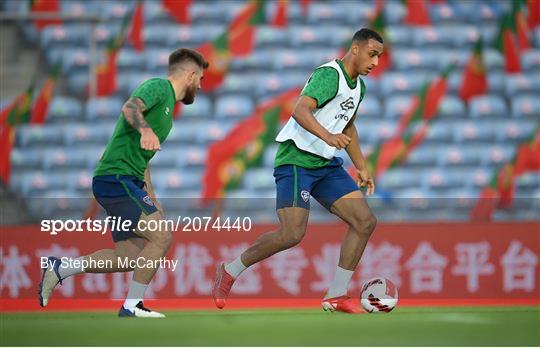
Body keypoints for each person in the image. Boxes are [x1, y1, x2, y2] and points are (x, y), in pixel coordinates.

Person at [212, 28, 384, 314]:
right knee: (292, 233)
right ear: (355, 49)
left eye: (379, 56)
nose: (376, 62)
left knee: (365, 221)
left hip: (325, 165)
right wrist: (329, 137)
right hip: (296, 160)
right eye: (372, 54)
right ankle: (229, 270)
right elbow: (300, 109)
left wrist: (362, 166)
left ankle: (336, 294)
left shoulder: (359, 87)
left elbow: (348, 125)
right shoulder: (330, 75)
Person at [38, 48, 208, 318]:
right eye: (200, 78)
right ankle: (132, 305)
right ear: (190, 75)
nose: (200, 85)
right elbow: (130, 107)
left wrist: (151, 198)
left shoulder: (167, 115)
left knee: (128, 255)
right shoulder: (158, 87)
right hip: (115, 177)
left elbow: (144, 161)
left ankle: (61, 269)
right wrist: (145, 129)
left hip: (124, 180)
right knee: (162, 236)